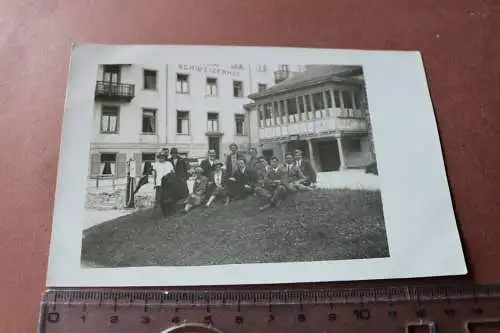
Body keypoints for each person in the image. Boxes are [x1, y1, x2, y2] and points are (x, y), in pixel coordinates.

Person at [152, 151, 177, 217]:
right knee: (159, 199)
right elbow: (154, 175)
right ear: (158, 157)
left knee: (169, 198)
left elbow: (173, 172)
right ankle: (159, 213)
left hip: (168, 184)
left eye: (163, 157)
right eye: (160, 157)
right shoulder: (156, 164)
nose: (161, 158)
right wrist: (155, 184)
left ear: (165, 157)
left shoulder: (169, 164)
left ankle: (171, 211)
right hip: (159, 184)